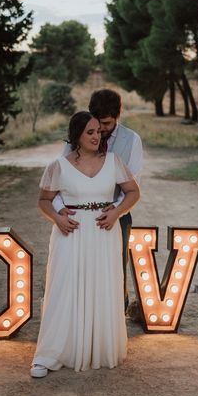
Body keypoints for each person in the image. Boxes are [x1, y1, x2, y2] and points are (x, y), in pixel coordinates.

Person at [31, 111, 140, 378]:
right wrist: (57, 218)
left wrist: (116, 212)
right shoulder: (59, 165)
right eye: (89, 132)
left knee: (101, 286)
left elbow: (133, 192)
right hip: (71, 234)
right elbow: (44, 201)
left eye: (98, 132)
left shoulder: (113, 162)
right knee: (65, 288)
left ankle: (97, 347)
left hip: (104, 234)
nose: (96, 136)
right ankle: (50, 353)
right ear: (76, 136)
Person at [52, 89, 143, 311]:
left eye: (107, 124)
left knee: (115, 268)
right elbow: (60, 178)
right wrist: (61, 210)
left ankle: (114, 316)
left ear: (117, 117)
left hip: (116, 214)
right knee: (78, 269)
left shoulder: (131, 140)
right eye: (97, 124)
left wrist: (116, 210)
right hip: (79, 216)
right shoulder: (76, 138)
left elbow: (134, 181)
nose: (101, 131)